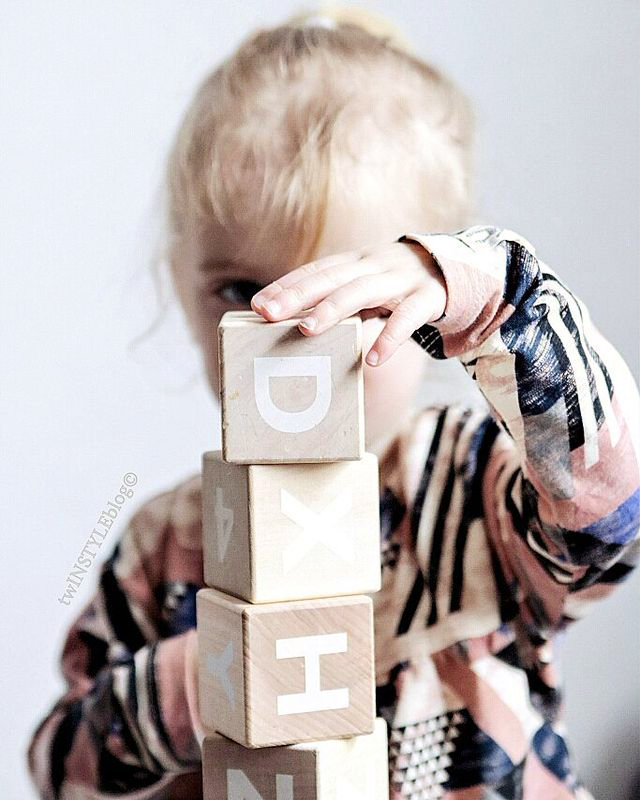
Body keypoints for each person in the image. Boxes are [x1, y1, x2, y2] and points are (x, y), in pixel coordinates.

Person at [28, 7, 640, 800]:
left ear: (434, 315)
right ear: (178, 285)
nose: (291, 341)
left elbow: (610, 516)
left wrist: (494, 296)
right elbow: (58, 765)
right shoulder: (166, 548)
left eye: (356, 301)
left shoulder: (474, 482)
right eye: (241, 293)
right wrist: (203, 680)